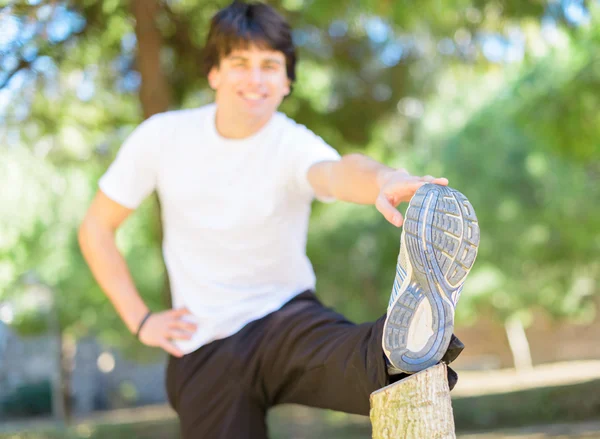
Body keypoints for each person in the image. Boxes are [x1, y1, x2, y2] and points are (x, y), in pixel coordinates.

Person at [78, 2, 479, 438]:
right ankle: (399, 350)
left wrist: (389, 178)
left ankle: (405, 345)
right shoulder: (161, 138)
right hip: (201, 344)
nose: (255, 79)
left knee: (366, 361)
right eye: (240, 63)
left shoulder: (291, 143)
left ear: (286, 81)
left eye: (270, 66)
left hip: (284, 320)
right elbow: (96, 229)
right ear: (214, 73)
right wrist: (141, 320)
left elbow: (340, 171)